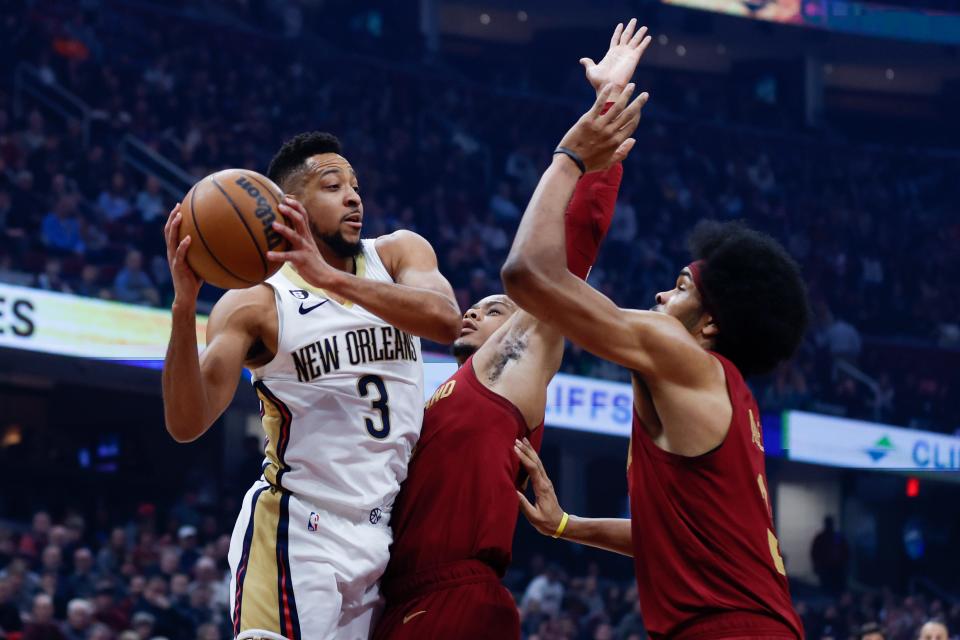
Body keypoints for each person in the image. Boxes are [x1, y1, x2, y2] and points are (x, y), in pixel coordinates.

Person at [502, 24, 809, 638]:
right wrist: (568, 527)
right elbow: (671, 541)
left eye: (682, 288)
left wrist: (572, 152)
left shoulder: (681, 355)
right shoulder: (728, 395)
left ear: (712, 323)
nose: (661, 295)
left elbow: (528, 274)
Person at [371, 22, 645, 640]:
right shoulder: (441, 393)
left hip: (457, 597)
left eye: (494, 309)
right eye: (478, 307)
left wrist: (600, 121)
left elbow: (564, 261)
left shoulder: (504, 376)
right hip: (399, 597)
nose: (474, 311)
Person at [161, 131, 461, 640]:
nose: (353, 196)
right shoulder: (254, 302)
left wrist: (329, 277)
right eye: (332, 185)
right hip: (297, 530)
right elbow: (187, 423)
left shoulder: (396, 255)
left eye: (355, 185)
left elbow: (445, 321)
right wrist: (184, 306)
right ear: (290, 206)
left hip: (380, 536)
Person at [811, 516, 849, 594]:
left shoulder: (836, 536)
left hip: (837, 568)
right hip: (825, 568)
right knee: (826, 588)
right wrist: (816, 566)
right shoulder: (821, 537)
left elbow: (844, 550)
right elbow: (815, 553)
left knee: (836, 588)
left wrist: (844, 564)